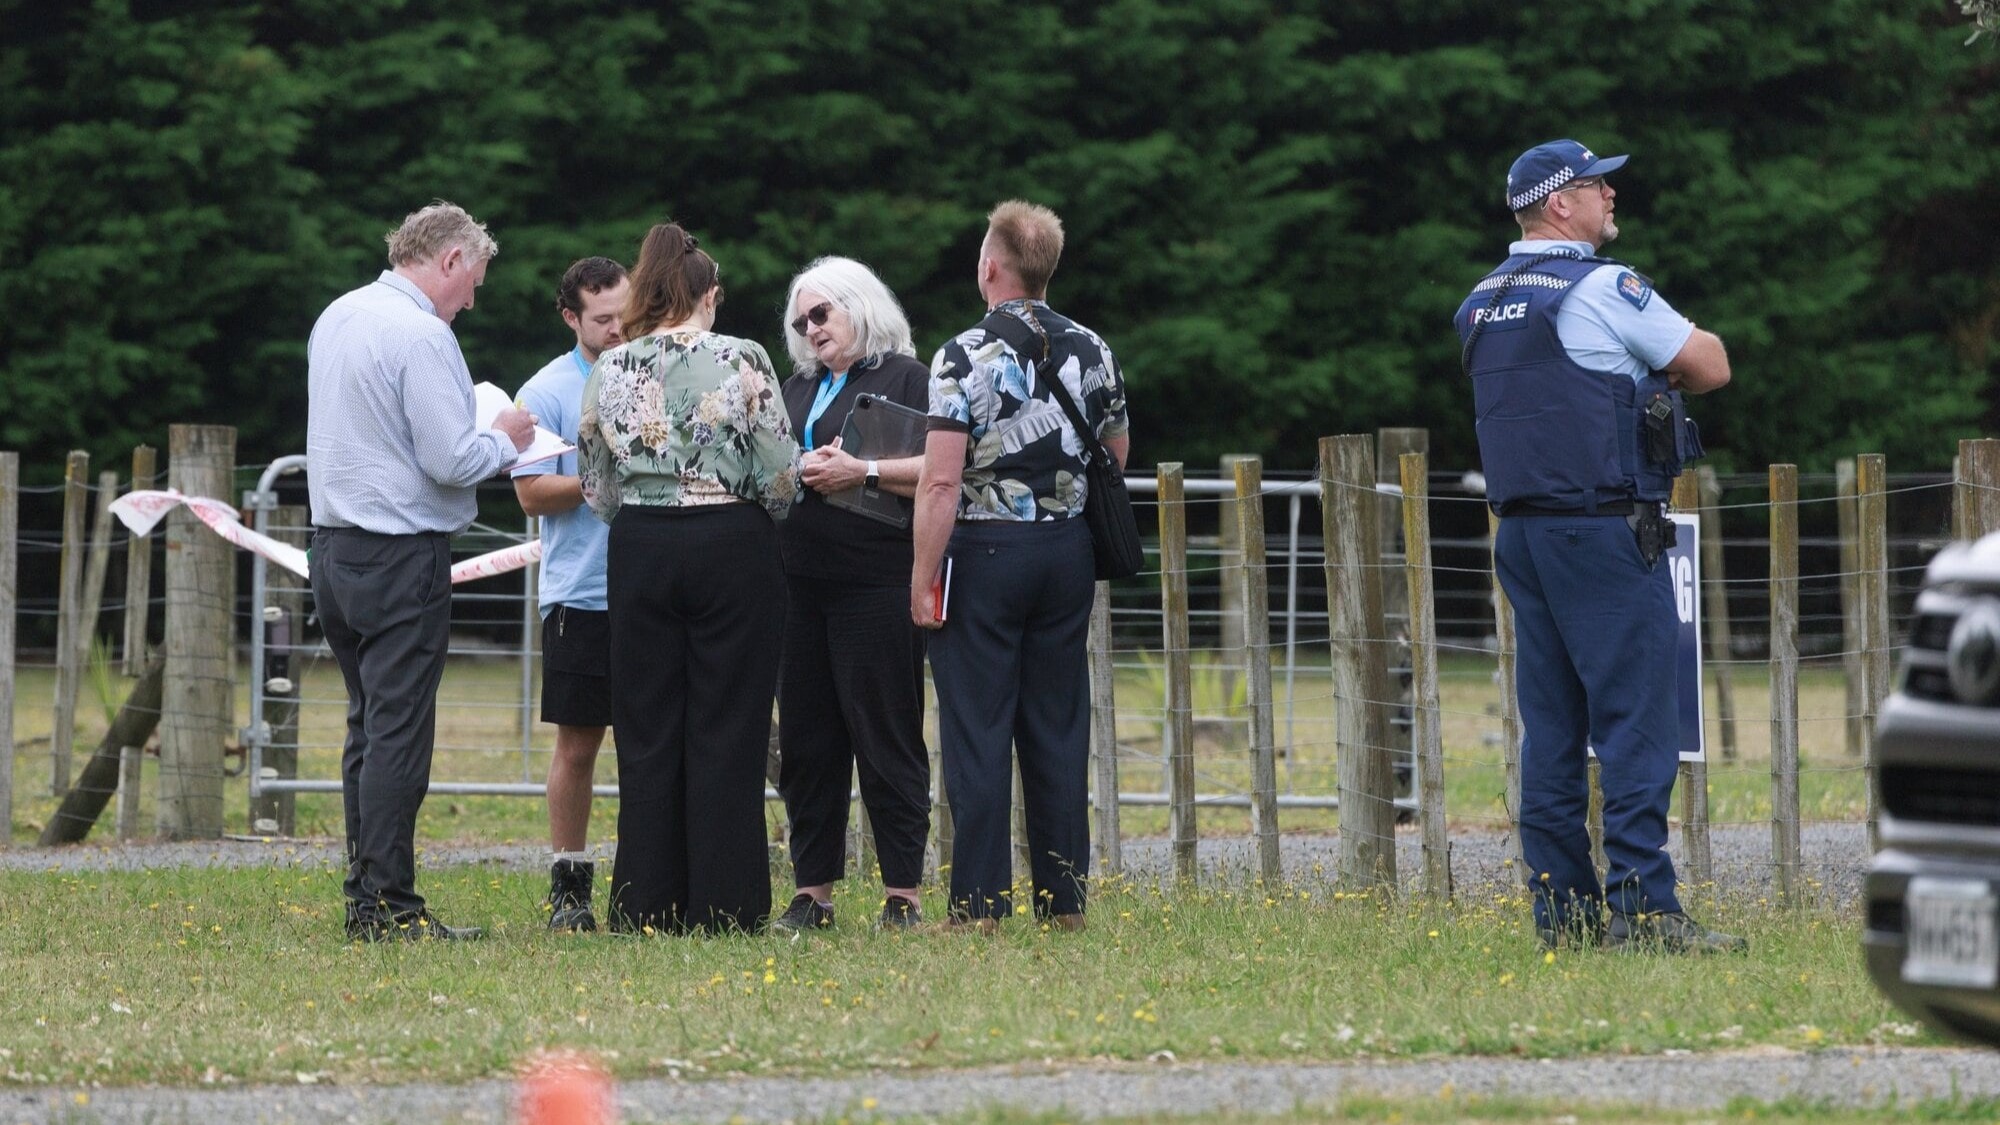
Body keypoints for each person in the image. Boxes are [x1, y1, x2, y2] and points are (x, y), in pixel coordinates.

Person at [1454, 140, 1743, 954]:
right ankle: (1646, 913)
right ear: (1560, 203)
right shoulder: (1601, 287)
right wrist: (1655, 374)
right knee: (1634, 723)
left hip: (1523, 534)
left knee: (1551, 731)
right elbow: (1710, 362)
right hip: (1604, 527)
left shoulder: (1481, 301)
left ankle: (1564, 916)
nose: (1611, 194)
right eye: (1595, 184)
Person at [306, 201, 536, 942]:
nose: (471, 301)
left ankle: (364, 897)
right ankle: (390, 905)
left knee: (367, 727)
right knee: (399, 733)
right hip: (399, 555)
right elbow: (451, 459)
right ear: (450, 260)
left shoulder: (338, 315)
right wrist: (506, 437)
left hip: (333, 550)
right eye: (473, 283)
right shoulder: (423, 334)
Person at [910, 201, 1129, 932]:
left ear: (990, 267)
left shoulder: (961, 354)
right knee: (1058, 727)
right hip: (1066, 552)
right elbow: (1115, 451)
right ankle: (1064, 903)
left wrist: (922, 576)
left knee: (978, 730)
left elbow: (940, 482)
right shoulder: (1094, 348)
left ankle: (978, 908)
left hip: (984, 551)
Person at [577, 221, 800, 935]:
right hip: (731, 544)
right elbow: (782, 474)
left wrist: (643, 509)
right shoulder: (743, 357)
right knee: (729, 723)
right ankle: (726, 904)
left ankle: (646, 901)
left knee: (646, 726)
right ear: (708, 295)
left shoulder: (612, 365)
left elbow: (595, 483)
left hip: (641, 545)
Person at [771, 257, 932, 934]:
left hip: (876, 579)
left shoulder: (908, 377)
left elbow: (939, 468)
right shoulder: (796, 387)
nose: (811, 330)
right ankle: (813, 892)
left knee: (885, 734)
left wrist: (860, 469)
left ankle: (903, 893)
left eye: (821, 314)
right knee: (807, 742)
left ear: (859, 305)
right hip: (798, 584)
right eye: (800, 322)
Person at [512, 256, 630, 932]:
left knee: (650, 744)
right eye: (603, 319)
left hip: (652, 591)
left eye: (625, 314)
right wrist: (601, 483)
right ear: (571, 317)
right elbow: (531, 493)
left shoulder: (652, 371)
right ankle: (569, 884)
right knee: (579, 745)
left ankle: (647, 877)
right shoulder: (546, 390)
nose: (618, 329)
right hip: (581, 593)